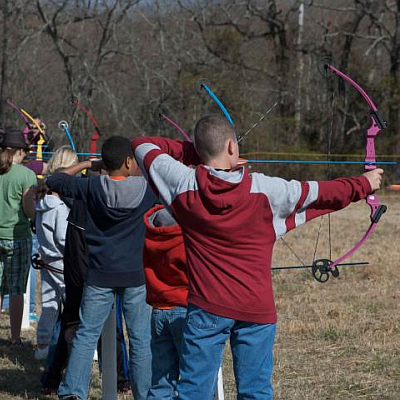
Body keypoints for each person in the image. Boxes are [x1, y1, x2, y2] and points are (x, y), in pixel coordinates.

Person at [131, 114, 384, 400]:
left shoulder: (183, 185)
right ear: (231, 146)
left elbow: (142, 145)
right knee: (255, 393)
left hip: (207, 310)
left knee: (193, 392)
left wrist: (196, 152)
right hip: (256, 310)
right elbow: (322, 193)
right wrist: (364, 183)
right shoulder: (266, 190)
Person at [46, 136, 156, 400]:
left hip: (99, 275)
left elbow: (54, 180)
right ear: (129, 161)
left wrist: (87, 164)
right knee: (141, 339)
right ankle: (146, 394)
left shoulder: (92, 187)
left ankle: (73, 392)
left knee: (86, 335)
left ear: (104, 164)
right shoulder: (147, 190)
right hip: (135, 276)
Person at [34, 146, 78, 360]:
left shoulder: (41, 202)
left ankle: (43, 344)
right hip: (61, 262)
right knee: (73, 305)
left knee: (49, 304)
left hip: (47, 259)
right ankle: (73, 344)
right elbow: (63, 238)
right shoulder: (59, 207)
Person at [143, 205, 188, 399]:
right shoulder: (184, 241)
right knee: (192, 377)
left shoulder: (151, 238)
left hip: (159, 310)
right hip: (184, 309)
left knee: (162, 379)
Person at [0, 128, 36, 344]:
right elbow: (29, 210)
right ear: (20, 152)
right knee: (15, 289)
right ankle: (14, 338)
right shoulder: (26, 175)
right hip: (18, 236)